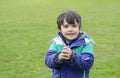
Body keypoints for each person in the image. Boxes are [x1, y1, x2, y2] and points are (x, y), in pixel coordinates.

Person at [45, 10, 95, 78]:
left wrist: (73, 56)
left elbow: (88, 63)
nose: (70, 29)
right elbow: (48, 60)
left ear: (79, 27)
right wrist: (59, 57)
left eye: (74, 26)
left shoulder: (85, 43)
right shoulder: (57, 42)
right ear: (60, 29)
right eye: (66, 26)